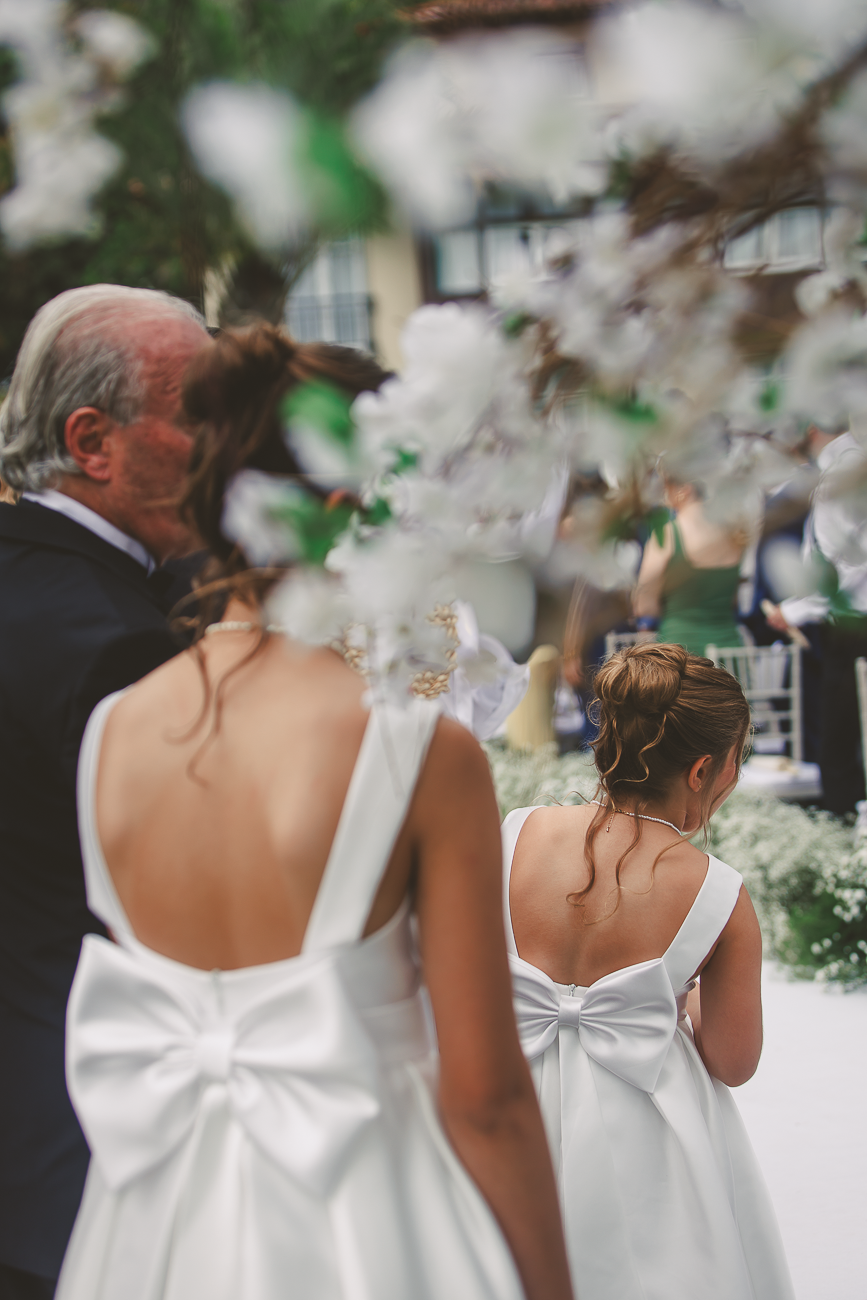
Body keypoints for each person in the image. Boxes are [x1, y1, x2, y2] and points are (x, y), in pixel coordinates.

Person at [56, 325, 573, 1300]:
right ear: (346, 511)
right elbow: (488, 1098)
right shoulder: (419, 749)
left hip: (156, 1233)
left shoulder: (111, 733)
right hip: (372, 1227)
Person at [0, 285, 210, 1299]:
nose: (225, 445)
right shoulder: (117, 641)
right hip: (78, 1155)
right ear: (95, 441)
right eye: (200, 414)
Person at [503, 643, 795, 1300]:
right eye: (734, 763)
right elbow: (730, 1059)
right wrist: (678, 998)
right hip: (644, 1131)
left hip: (506, 1105)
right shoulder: (717, 893)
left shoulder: (517, 833)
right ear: (700, 770)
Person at [765, 425, 867, 814]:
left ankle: (843, 817)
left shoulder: (844, 470)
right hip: (847, 617)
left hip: (854, 623)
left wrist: (795, 609)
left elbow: (842, 561)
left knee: (840, 729)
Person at [633, 477, 745, 656]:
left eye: (667, 486)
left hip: (681, 656)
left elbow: (644, 606)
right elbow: (734, 599)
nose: (663, 493)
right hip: (729, 655)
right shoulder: (733, 535)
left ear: (685, 489)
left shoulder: (666, 536)